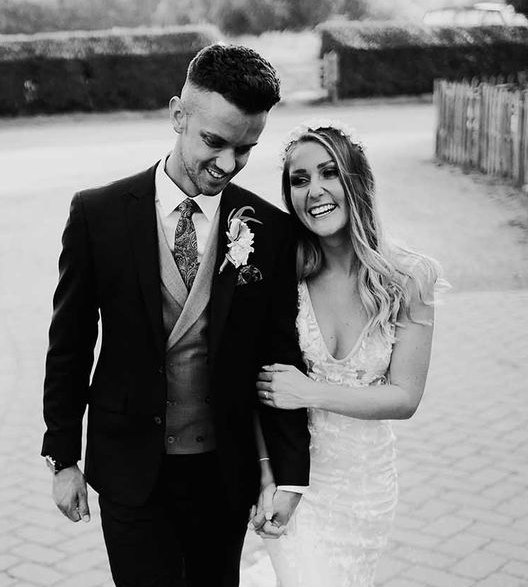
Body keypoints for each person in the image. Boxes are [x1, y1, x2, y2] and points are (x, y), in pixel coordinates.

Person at [41, 43, 310, 587]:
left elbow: (277, 355)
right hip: (129, 468)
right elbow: (70, 344)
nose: (227, 165)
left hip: (223, 471)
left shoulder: (269, 229)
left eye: (245, 149)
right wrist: (63, 457)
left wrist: (288, 474)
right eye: (214, 142)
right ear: (177, 115)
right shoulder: (98, 214)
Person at [253, 121, 445, 587]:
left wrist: (309, 391)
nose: (314, 190)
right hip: (294, 481)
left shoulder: (408, 278)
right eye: (299, 180)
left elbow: (405, 398)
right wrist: (266, 478)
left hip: (365, 487)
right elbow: (262, 385)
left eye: (328, 173)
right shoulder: (288, 273)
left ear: (355, 180)